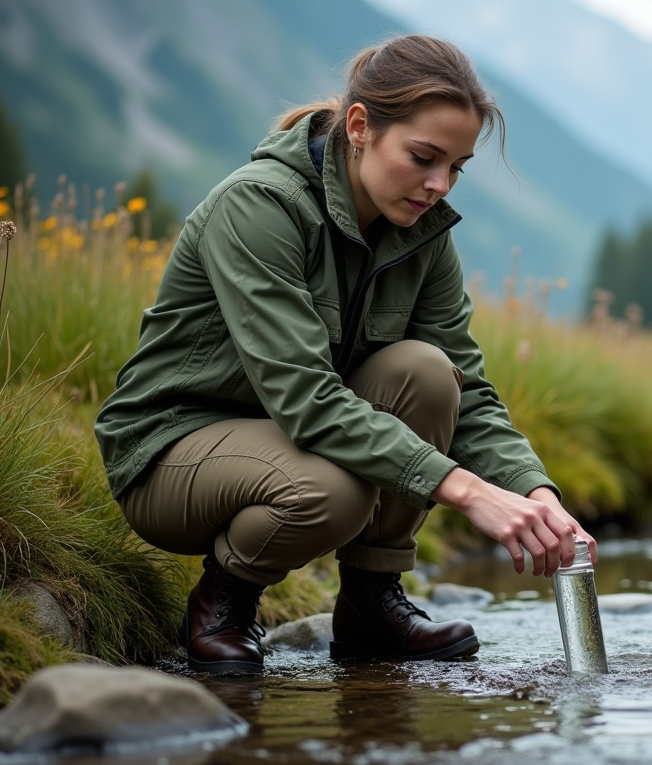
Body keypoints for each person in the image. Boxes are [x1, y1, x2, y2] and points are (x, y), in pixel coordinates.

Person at [94, 35, 596, 675]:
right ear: (359, 127)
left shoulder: (423, 235)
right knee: (333, 490)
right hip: (172, 451)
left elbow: (466, 392)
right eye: (423, 157)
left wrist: (536, 492)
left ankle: (370, 603)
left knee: (427, 374)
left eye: (457, 167)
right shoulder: (260, 206)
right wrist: (469, 493)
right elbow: (305, 398)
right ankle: (224, 604)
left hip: (286, 438)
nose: (439, 185)